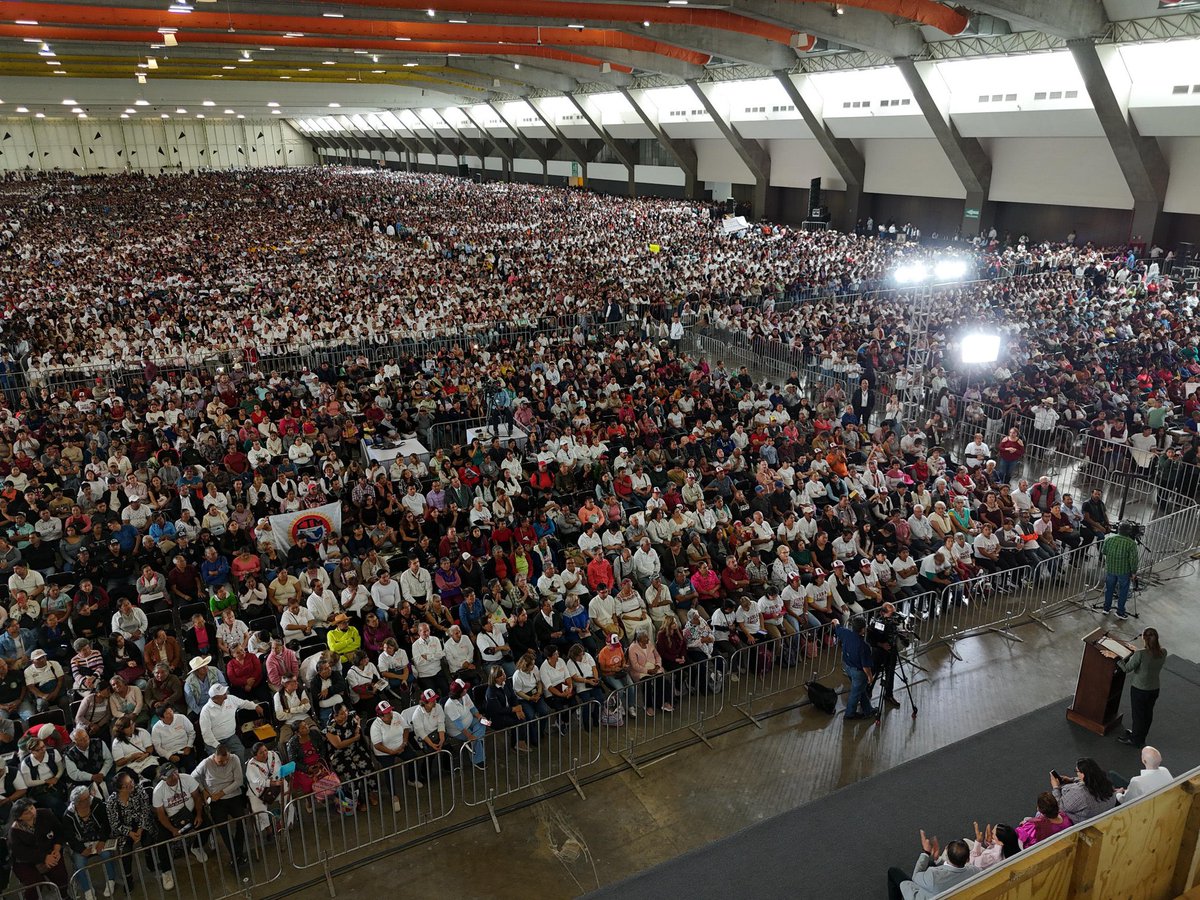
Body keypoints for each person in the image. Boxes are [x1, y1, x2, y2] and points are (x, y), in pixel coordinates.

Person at [150, 762, 209, 889]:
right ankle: (166, 871)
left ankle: (196, 846)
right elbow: (161, 815)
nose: (175, 776)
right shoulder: (158, 790)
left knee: (207, 823)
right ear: (164, 778)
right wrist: (172, 829)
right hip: (171, 819)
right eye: (171, 775)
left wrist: (198, 815)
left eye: (176, 772)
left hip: (190, 813)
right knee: (161, 840)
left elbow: (197, 798)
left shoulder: (187, 779)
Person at [190, 743, 248, 867]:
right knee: (223, 828)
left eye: (226, 760)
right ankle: (237, 854)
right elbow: (193, 777)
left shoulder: (234, 759)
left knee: (241, 821)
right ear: (214, 757)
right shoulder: (206, 763)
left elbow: (239, 780)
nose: (224, 763)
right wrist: (203, 791)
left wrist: (222, 793)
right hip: (216, 801)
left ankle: (237, 854)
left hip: (233, 795)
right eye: (221, 761)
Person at [62, 785, 119, 900]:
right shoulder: (68, 815)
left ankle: (111, 880)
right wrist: (81, 849)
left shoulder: (98, 804)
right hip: (81, 844)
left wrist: (102, 840)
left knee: (106, 855)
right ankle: (87, 889)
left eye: (89, 796)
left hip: (99, 839)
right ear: (78, 803)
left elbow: (106, 824)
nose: (89, 799)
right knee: (79, 864)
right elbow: (70, 837)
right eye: (85, 799)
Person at [1113, 627, 1166, 748]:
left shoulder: (1140, 654)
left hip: (1140, 689)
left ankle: (1135, 740)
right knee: (1147, 714)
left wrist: (1116, 658)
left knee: (1138, 715)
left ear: (1144, 638)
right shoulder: (1163, 652)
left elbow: (1127, 669)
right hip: (1154, 688)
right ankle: (1141, 736)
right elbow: (1148, 658)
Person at [886, 831, 978, 900]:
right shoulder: (975, 872)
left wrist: (926, 853)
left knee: (893, 872)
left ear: (947, 854)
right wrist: (937, 859)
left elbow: (915, 878)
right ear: (968, 859)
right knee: (931, 863)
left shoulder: (933, 876)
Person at [8, 797, 70, 898]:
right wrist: (44, 857)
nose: (32, 812)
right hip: (26, 862)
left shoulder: (46, 814)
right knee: (35, 884)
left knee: (60, 874)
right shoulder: (14, 832)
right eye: (26, 812)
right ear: (19, 817)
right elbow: (21, 853)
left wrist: (57, 849)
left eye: (32, 808)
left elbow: (59, 831)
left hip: (50, 851)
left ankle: (64, 895)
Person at [199, 683, 261, 763]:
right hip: (214, 742)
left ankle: (242, 774)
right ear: (215, 698)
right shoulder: (205, 711)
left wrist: (255, 706)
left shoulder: (230, 699)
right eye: (223, 694)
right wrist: (218, 746)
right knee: (220, 761)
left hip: (231, 736)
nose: (226, 694)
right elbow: (206, 734)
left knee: (240, 751)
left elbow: (243, 703)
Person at [835, 615, 877, 720]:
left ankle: (868, 710)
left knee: (860, 690)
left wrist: (835, 621)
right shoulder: (864, 646)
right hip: (858, 672)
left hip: (847, 667)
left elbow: (837, 626)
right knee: (855, 693)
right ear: (863, 629)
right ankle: (849, 714)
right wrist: (870, 677)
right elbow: (866, 666)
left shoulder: (846, 634)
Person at [1051, 757, 1117, 822]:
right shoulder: (1107, 783)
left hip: (1084, 823)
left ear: (1083, 774)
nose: (1076, 773)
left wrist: (1055, 787)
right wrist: (1072, 780)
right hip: (1105, 817)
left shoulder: (1079, 794)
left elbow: (1059, 807)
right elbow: (1091, 780)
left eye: (1076, 771)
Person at [1095, 524, 1138, 620]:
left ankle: (1106, 608)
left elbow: (1104, 551)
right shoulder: (1131, 543)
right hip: (1124, 571)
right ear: (1129, 532)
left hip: (1110, 568)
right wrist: (1133, 572)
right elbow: (1133, 560)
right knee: (1123, 591)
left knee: (1109, 588)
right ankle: (1120, 612)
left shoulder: (1109, 539)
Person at [245, 741, 290, 834]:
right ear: (255, 755)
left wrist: (281, 778)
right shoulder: (251, 765)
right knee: (258, 808)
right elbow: (257, 781)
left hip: (277, 784)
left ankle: (285, 822)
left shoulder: (273, 755)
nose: (265, 753)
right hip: (259, 790)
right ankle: (268, 829)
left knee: (287, 797)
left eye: (265, 750)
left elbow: (280, 768)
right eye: (261, 752)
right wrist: (272, 783)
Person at [444, 679, 488, 769]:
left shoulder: (465, 696)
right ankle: (478, 760)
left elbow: (472, 708)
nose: (466, 690)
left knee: (484, 723)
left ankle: (472, 742)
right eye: (464, 689)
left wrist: (479, 716)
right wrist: (469, 736)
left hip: (470, 720)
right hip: (458, 730)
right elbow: (459, 725)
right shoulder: (449, 705)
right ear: (459, 692)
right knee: (476, 740)